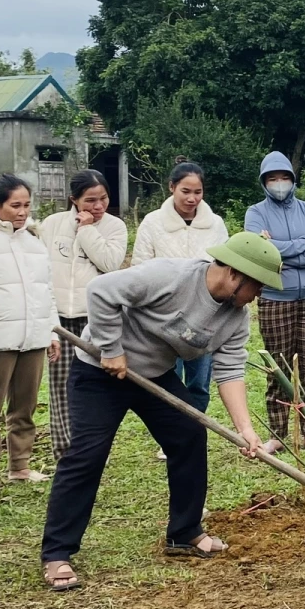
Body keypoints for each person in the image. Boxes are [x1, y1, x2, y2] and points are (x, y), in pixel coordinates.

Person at [38, 232, 280, 592]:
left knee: (189, 433)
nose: (258, 296)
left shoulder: (236, 318)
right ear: (234, 274)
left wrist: (245, 429)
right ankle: (57, 552)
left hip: (153, 374)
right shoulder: (170, 276)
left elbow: (229, 372)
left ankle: (184, 532)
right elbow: (102, 291)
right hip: (99, 371)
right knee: (87, 454)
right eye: (257, 287)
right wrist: (111, 348)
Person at [0, 175, 61, 484]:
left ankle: (20, 465)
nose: (22, 212)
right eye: (15, 205)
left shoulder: (34, 241)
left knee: (25, 406)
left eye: (26, 205)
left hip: (33, 334)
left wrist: (52, 330)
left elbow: (45, 289)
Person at [243, 152, 305, 453]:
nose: (279, 183)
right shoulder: (255, 213)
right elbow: (257, 252)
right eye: (272, 179)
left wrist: (279, 251)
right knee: (278, 366)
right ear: (264, 182)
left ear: (293, 180)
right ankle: (278, 433)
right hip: (274, 297)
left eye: (284, 178)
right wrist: (301, 246)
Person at [39, 170, 128, 462]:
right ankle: (65, 450)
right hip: (60, 318)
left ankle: (89, 447)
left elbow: (110, 263)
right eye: (90, 200)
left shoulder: (115, 227)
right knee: (60, 384)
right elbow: (41, 269)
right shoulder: (51, 225)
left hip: (95, 318)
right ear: (73, 200)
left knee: (93, 385)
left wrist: (87, 229)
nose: (98, 206)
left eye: (103, 199)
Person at [130, 161, 228, 418]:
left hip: (204, 316)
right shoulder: (152, 223)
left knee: (198, 382)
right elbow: (139, 268)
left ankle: (194, 430)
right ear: (171, 187)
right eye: (186, 191)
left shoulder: (215, 225)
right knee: (167, 379)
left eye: (198, 192)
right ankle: (170, 435)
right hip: (162, 316)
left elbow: (225, 270)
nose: (192, 198)